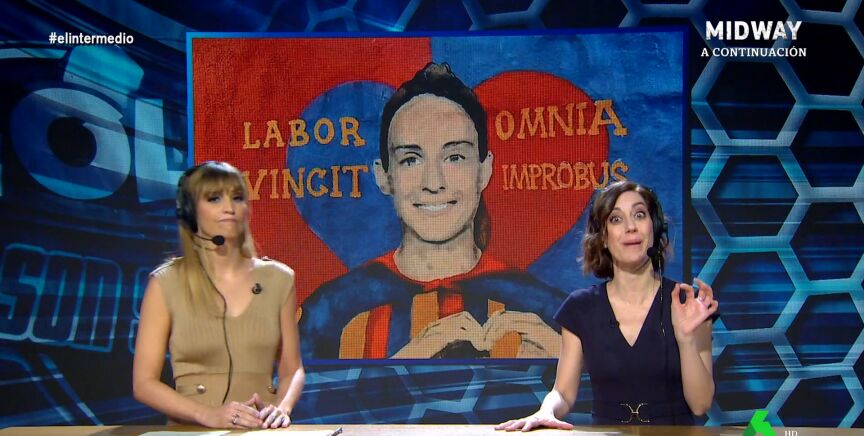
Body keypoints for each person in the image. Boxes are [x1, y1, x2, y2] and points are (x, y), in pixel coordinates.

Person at [298, 63, 566, 359]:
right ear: (384, 176)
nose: (434, 183)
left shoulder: (549, 312)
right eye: (411, 160)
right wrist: (395, 373)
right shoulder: (328, 313)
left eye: (455, 157)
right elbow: (281, 387)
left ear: (484, 171)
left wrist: (572, 370)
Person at [496, 180, 719, 429]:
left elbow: (700, 404)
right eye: (616, 219)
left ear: (654, 229)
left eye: (639, 215)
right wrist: (545, 411)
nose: (630, 227)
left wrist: (686, 339)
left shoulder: (688, 304)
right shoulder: (580, 308)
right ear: (603, 237)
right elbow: (563, 393)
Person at [133, 161, 305, 429]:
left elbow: (292, 369)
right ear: (190, 212)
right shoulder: (165, 283)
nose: (229, 208)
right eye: (214, 198)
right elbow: (144, 383)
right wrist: (207, 414)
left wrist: (282, 409)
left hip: (258, 431)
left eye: (237, 198)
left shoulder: (279, 279)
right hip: (190, 432)